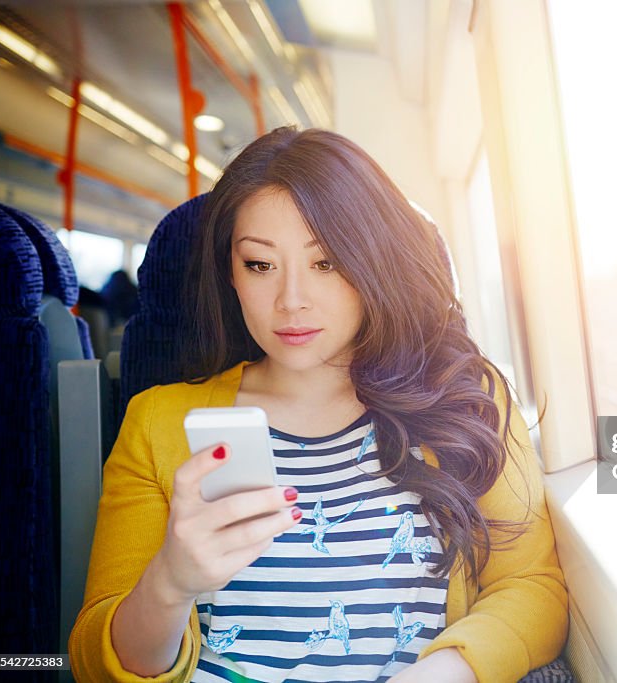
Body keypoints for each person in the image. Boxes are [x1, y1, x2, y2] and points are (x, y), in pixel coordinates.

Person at [69, 127, 568, 682]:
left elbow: (530, 586)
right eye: (260, 265)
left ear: (374, 264)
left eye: (326, 263)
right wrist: (170, 582)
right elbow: (92, 662)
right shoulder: (159, 421)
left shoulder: (466, 398)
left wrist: (446, 672)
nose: (291, 300)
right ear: (230, 274)